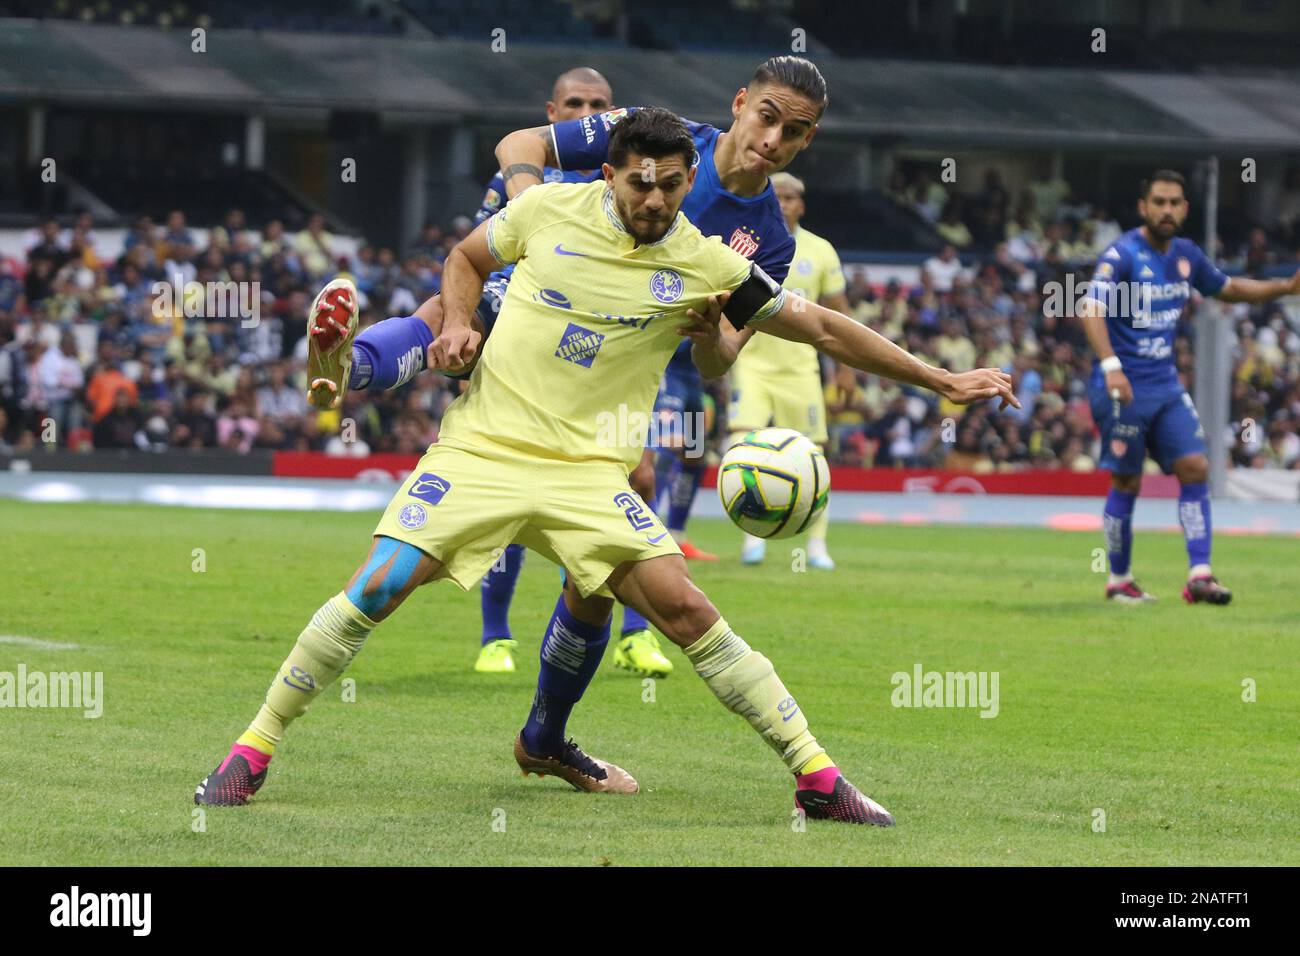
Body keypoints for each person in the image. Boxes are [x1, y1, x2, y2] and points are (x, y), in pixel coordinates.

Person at [194, 108, 1016, 826]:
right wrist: (451, 321)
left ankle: (818, 779)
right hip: (483, 449)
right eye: (637, 183)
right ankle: (252, 751)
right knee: (376, 585)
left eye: (667, 185)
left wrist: (940, 378)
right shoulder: (546, 208)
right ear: (611, 176)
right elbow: (465, 257)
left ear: (687, 178)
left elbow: (825, 328)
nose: (652, 200)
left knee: (688, 611)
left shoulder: (710, 264)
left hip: (590, 475)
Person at [1080, 169, 1300, 604]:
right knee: (1126, 482)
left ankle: (1199, 576)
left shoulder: (1186, 255)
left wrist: (1286, 287)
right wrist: (1110, 366)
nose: (1167, 209)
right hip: (1122, 388)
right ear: (1144, 207)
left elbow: (1228, 288)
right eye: (1158, 202)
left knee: (1196, 468)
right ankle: (1118, 580)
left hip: (1164, 385)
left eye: (1175, 202)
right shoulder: (1122, 254)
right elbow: (1090, 307)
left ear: (1185, 208)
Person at [726, 171, 847, 567]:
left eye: (791, 197)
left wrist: (845, 369)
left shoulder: (821, 250)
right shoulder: (748, 242)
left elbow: (838, 314)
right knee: (741, 443)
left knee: (813, 453)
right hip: (753, 364)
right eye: (776, 196)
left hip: (800, 370)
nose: (783, 203)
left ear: (802, 204)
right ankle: (751, 540)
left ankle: (816, 545)